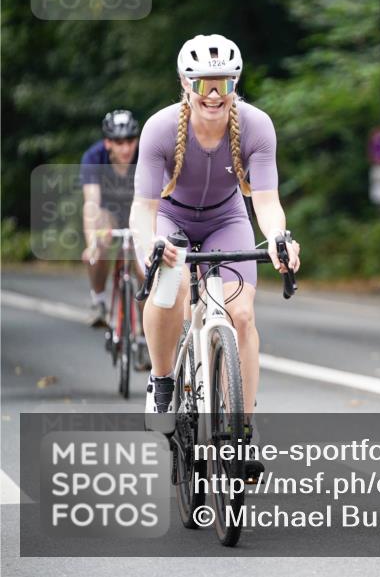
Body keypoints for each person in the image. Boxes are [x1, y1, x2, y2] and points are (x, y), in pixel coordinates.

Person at [130, 34, 300, 478]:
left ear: (235, 84)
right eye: (203, 83)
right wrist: (151, 244)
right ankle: (163, 379)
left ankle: (242, 429)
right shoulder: (160, 128)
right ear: (186, 84)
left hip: (227, 218)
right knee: (174, 285)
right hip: (170, 218)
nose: (212, 94)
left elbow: (264, 201)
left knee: (241, 315)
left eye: (222, 84)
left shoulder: (257, 126)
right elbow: (143, 208)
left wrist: (280, 238)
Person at [81, 110, 141, 328]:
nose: (126, 148)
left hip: (138, 210)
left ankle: (146, 329)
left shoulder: (146, 154)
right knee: (100, 244)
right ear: (108, 143)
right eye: (118, 142)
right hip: (110, 213)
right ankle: (99, 301)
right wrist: (92, 245)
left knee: (145, 260)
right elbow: (91, 203)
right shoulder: (93, 157)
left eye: (130, 141)